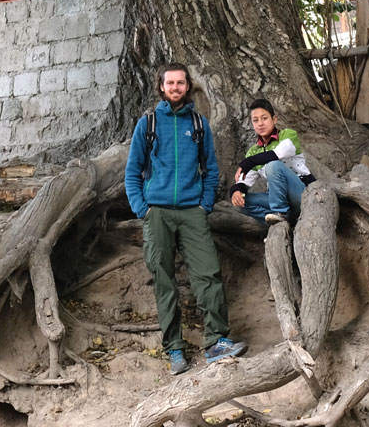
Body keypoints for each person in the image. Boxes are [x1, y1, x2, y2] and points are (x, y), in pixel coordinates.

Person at [124, 62, 246, 375]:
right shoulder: (148, 123)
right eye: (170, 83)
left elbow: (212, 170)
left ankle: (217, 342)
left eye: (181, 83)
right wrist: (143, 209)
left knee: (208, 275)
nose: (176, 87)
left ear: (187, 85)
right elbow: (132, 171)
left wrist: (204, 205)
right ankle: (175, 349)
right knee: (164, 281)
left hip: (193, 212)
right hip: (158, 213)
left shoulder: (199, 123)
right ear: (161, 87)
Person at [230, 97, 312, 225]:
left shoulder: (288, 135)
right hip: (277, 198)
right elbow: (244, 182)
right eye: (255, 120)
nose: (260, 124)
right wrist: (236, 191)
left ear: (274, 119)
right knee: (240, 203)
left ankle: (280, 213)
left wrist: (248, 162)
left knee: (273, 165)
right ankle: (284, 223)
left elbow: (276, 154)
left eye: (264, 118)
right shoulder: (253, 152)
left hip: (301, 194)